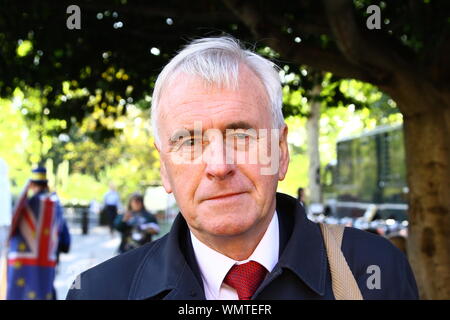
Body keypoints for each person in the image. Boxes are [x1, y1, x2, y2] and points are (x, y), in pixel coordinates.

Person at [67, 36, 418, 300]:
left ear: (281, 151)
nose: (219, 166)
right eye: (189, 142)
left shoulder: (373, 273)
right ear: (164, 168)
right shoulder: (100, 292)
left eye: (240, 135)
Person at [7, 166, 70, 300]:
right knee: (46, 286)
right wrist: (64, 245)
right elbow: (64, 235)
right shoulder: (55, 204)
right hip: (49, 257)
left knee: (27, 289)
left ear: (32, 185)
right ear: (46, 184)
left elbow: (13, 226)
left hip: (25, 260)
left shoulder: (28, 205)